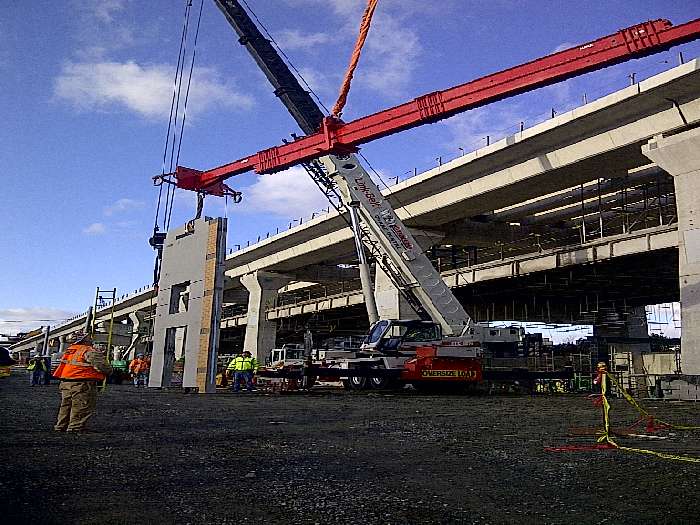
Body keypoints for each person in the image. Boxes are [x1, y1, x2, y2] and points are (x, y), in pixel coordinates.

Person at [53, 332, 112, 432]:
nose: (91, 339)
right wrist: (109, 371)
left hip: (66, 382)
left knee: (66, 405)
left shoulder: (70, 350)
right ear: (85, 340)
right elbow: (102, 366)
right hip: (82, 382)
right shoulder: (88, 350)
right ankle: (75, 427)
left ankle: (61, 426)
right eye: (89, 337)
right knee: (81, 405)